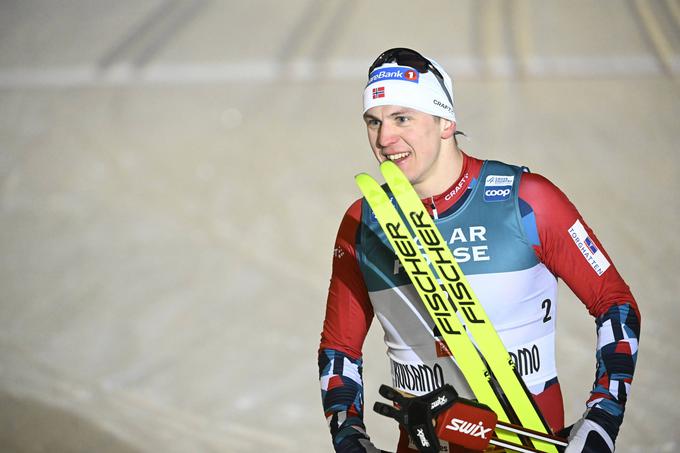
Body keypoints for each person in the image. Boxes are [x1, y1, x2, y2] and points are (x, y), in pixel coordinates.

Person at [318, 48, 640, 453]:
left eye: (402, 118)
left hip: (530, 441)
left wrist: (602, 418)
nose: (384, 139)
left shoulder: (526, 201)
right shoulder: (364, 224)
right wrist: (348, 435)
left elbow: (615, 303)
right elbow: (339, 348)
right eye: (373, 121)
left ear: (445, 121)